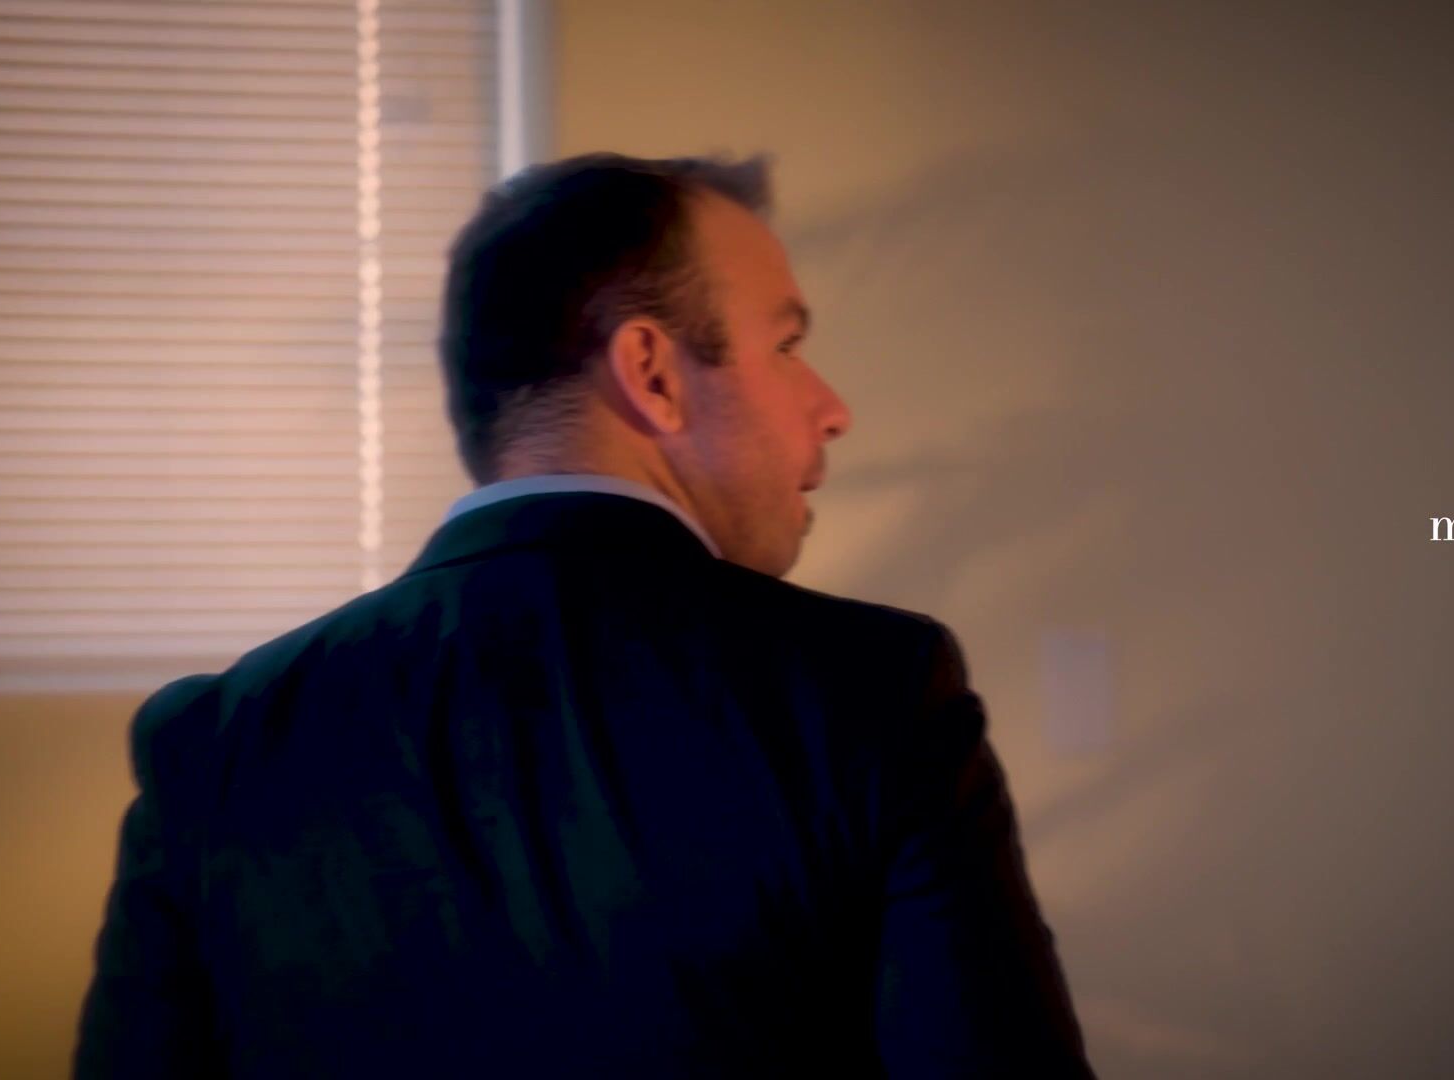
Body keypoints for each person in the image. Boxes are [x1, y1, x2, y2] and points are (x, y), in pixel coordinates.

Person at [73, 153, 1092, 1078]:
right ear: (652, 373)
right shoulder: (871, 691)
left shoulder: (213, 738)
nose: (832, 408)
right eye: (786, 344)